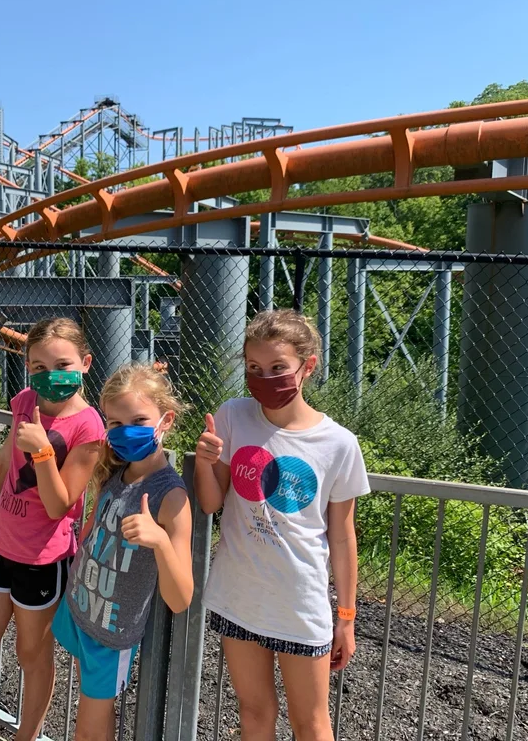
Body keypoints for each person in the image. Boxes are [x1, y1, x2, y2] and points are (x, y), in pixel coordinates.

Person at [194, 309, 370, 741]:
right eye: (254, 368)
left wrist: (346, 618)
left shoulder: (339, 444)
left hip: (299, 605)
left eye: (278, 367)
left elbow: (342, 537)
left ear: (307, 366)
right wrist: (204, 461)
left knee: (311, 724)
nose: (265, 378)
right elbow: (212, 501)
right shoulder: (233, 416)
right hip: (238, 596)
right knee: (254, 714)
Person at [0, 317, 105, 741]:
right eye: (39, 367)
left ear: (85, 363)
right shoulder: (25, 401)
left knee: (30, 657)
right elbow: (5, 459)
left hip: (42, 560)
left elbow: (58, 504)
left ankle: (26, 736)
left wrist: (43, 451)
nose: (50, 376)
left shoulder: (89, 427)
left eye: (62, 365)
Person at [53, 363, 194, 741]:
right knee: (92, 719)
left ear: (165, 420)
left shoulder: (171, 496)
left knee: (89, 730)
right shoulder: (116, 470)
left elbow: (181, 598)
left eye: (138, 420)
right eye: (115, 422)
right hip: (83, 610)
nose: (125, 431)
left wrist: (160, 541)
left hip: (111, 635)